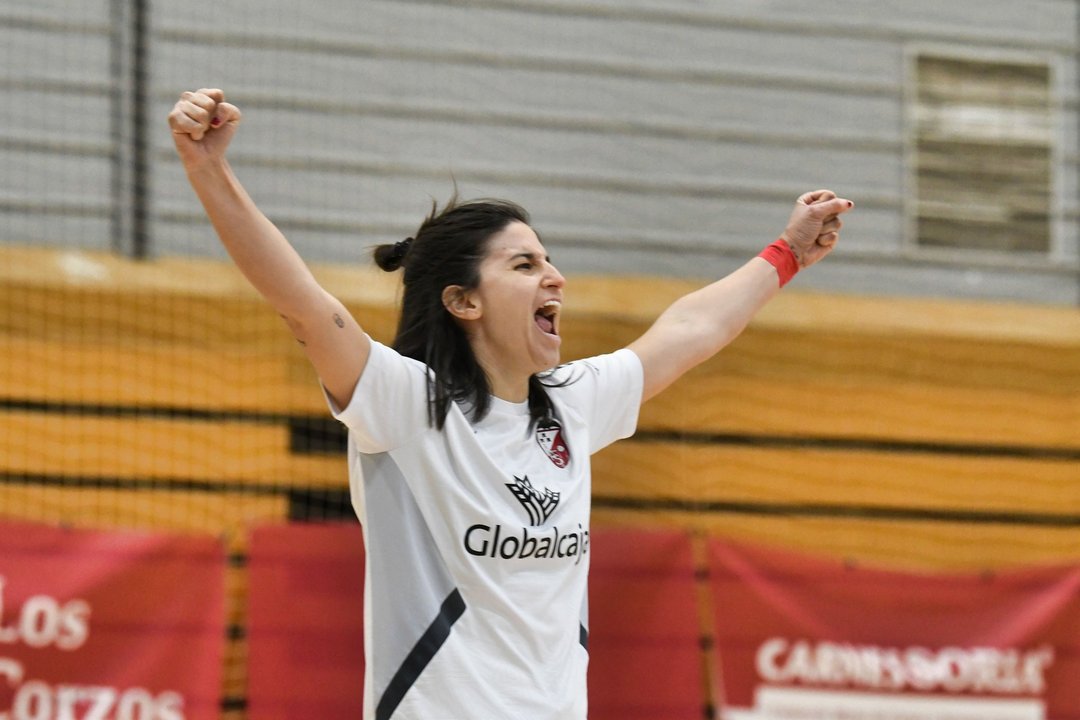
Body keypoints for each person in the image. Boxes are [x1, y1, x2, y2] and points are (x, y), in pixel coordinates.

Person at [169, 88, 852, 720]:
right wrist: (208, 168)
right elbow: (302, 305)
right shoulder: (405, 404)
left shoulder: (571, 405)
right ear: (463, 301)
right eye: (524, 265)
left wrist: (788, 252)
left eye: (547, 260)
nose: (555, 277)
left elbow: (691, 328)